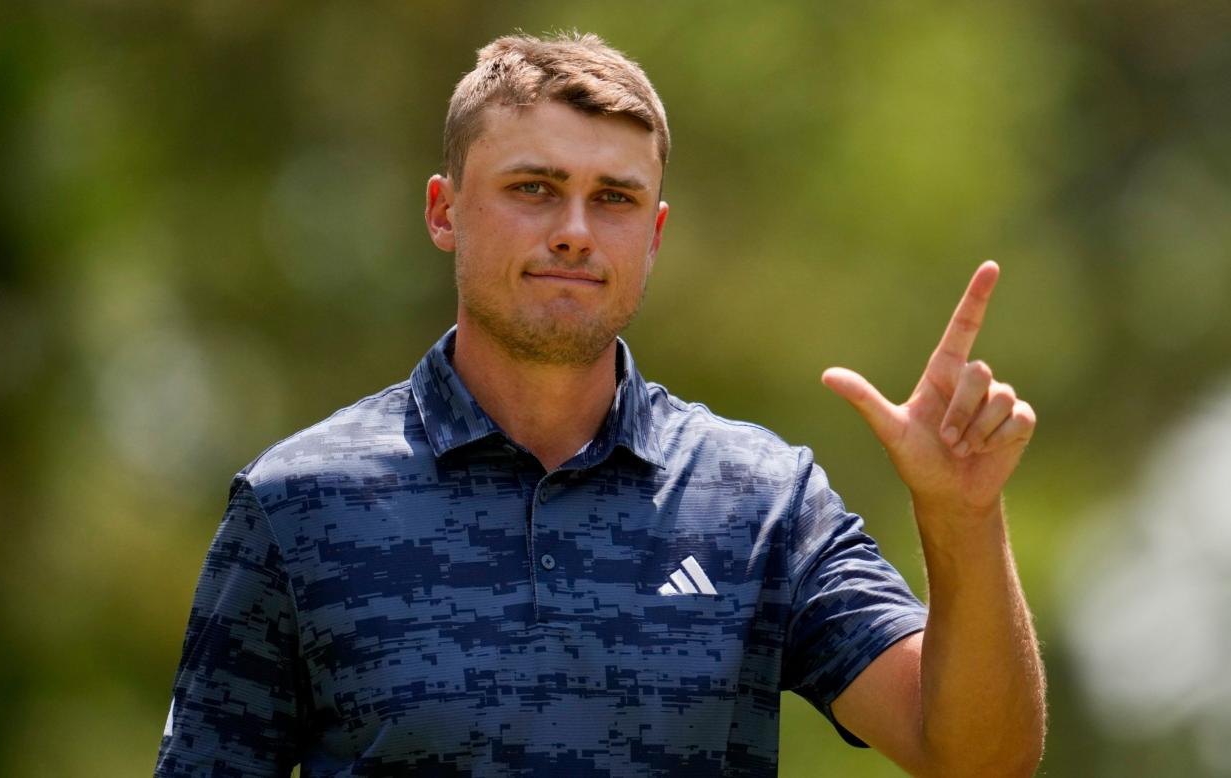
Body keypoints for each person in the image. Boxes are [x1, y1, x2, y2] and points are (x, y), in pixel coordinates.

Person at [155, 32, 1045, 778]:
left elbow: (975, 759)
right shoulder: (298, 504)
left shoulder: (762, 501)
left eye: (613, 198)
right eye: (533, 188)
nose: (575, 228)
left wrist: (962, 518)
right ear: (444, 212)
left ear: (652, 235)